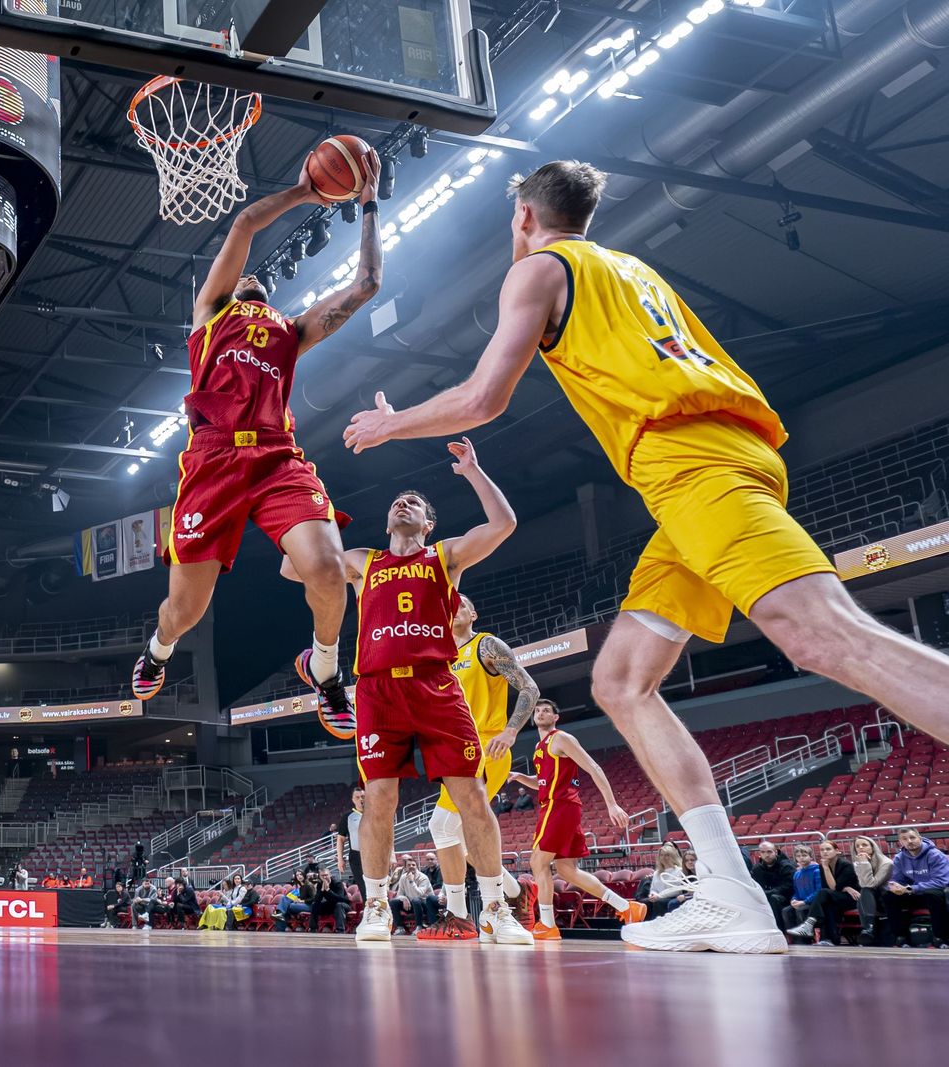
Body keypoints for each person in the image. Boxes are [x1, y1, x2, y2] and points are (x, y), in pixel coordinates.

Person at [342, 158, 949, 954]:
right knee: (621, 680)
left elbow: (484, 396)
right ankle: (730, 892)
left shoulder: (538, 270)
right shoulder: (630, 269)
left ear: (524, 216)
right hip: (708, 464)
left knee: (821, 632)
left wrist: (393, 425)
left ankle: (730, 892)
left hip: (695, 464)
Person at [130, 149, 386, 747]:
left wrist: (369, 204)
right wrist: (305, 193)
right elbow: (244, 225)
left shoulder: (289, 333)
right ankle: (158, 648)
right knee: (185, 613)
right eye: (242, 279)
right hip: (212, 460)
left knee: (325, 568)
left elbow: (367, 284)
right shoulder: (209, 318)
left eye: (257, 282)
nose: (249, 278)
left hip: (276, 457)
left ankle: (324, 668)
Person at [286, 443, 530, 946]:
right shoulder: (362, 561)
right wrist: (312, 516)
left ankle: (496, 909)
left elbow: (503, 524)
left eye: (415, 504)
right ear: (388, 520)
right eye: (398, 501)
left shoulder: (445, 556)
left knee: (471, 796)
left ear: (427, 525)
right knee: (379, 800)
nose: (403, 504)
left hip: (436, 684)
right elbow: (294, 569)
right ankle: (376, 905)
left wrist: (475, 472)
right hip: (377, 690)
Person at [429, 593, 541, 929]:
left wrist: (510, 731)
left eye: (459, 603)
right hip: (454, 753)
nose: (452, 608)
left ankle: (459, 916)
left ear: (473, 613)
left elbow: (530, 688)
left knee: (442, 826)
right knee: (464, 841)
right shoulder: (440, 657)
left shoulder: (486, 645)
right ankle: (517, 891)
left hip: (487, 748)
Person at [507, 699, 642, 940]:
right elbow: (541, 784)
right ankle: (627, 907)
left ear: (556, 717)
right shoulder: (540, 746)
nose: (541, 713)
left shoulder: (561, 738)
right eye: (537, 711)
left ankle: (547, 925)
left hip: (559, 806)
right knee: (567, 870)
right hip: (559, 806)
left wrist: (611, 803)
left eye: (546, 710)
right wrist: (519, 777)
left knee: (538, 862)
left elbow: (593, 767)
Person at [882, 827, 949, 947]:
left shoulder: (935, 855)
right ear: (900, 842)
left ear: (920, 838)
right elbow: (896, 879)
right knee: (889, 896)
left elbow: (940, 881)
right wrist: (893, 886)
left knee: (932, 894)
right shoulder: (899, 858)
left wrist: (911, 888)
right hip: (914, 893)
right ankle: (901, 937)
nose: (909, 841)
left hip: (936, 892)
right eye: (905, 839)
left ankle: (940, 937)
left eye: (912, 837)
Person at [789, 840, 860, 944]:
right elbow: (828, 887)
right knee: (827, 907)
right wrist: (844, 887)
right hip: (835, 897)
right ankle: (829, 940)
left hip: (851, 898)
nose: (825, 852)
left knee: (823, 893)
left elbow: (833, 887)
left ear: (837, 851)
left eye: (828, 849)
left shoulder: (846, 865)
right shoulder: (822, 866)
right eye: (822, 850)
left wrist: (826, 869)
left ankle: (809, 924)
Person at [850, 835, 891, 943]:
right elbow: (863, 884)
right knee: (863, 894)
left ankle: (868, 928)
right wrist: (862, 863)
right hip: (870, 897)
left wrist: (864, 863)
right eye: (857, 846)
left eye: (864, 845)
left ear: (873, 847)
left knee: (865, 892)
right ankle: (868, 928)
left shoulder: (886, 863)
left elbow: (871, 884)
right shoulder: (858, 862)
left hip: (887, 897)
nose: (861, 848)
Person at [749, 841, 796, 929]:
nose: (766, 855)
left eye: (769, 851)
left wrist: (768, 893)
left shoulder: (787, 866)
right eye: (763, 852)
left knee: (774, 898)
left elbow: (788, 886)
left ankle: (779, 930)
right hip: (766, 895)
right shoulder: (757, 869)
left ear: (776, 852)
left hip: (787, 897)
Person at [639, 843, 690, 918]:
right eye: (661, 855)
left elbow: (676, 890)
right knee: (646, 902)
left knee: (658, 902)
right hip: (658, 897)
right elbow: (653, 888)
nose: (663, 858)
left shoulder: (679, 871)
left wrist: (659, 896)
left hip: (672, 897)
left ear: (672, 856)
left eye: (667, 855)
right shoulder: (657, 873)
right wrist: (652, 894)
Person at [391, 854, 440, 932]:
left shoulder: (423, 878)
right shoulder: (403, 877)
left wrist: (411, 881)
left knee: (416, 900)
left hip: (425, 906)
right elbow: (399, 894)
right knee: (393, 902)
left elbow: (419, 894)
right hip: (411, 904)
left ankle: (419, 927)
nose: (411, 866)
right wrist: (404, 898)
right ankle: (400, 928)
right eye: (409, 865)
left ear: (416, 866)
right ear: (405, 867)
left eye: (413, 865)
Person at [781, 843, 821, 933]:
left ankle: (804, 938)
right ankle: (794, 938)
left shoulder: (817, 870)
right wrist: (794, 899)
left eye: (804, 855)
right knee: (786, 911)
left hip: (813, 903)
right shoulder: (797, 873)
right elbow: (796, 891)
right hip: (801, 902)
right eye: (798, 856)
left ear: (811, 857)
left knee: (801, 910)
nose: (801, 858)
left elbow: (818, 891)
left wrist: (804, 901)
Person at [335, 786, 365, 898]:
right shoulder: (347, 817)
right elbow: (341, 839)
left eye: (363, 796)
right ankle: (370, 913)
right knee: (364, 889)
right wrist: (340, 859)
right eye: (357, 797)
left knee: (377, 888)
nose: (360, 799)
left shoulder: (374, 813)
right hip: (356, 856)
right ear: (353, 800)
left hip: (374, 855)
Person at [310, 866, 351, 933]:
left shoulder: (338, 883)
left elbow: (339, 899)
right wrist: (322, 890)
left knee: (339, 905)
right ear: (319, 877)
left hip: (344, 905)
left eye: (326, 875)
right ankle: (313, 929)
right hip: (331, 905)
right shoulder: (320, 884)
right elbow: (316, 900)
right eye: (322, 876)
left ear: (330, 875)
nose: (324, 877)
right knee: (315, 905)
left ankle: (340, 930)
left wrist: (328, 890)